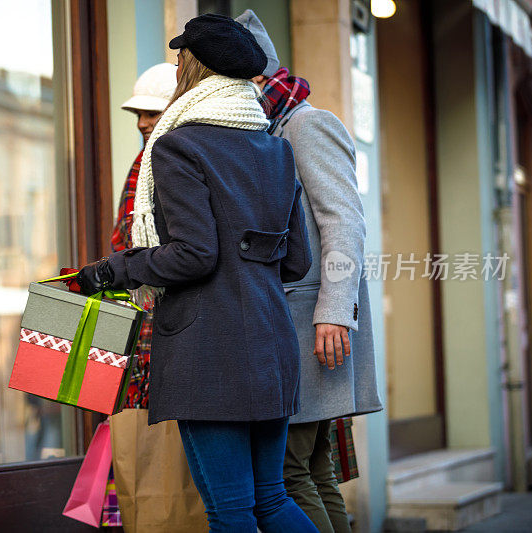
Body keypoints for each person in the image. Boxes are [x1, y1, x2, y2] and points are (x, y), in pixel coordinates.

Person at [77, 14, 317, 533]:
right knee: (271, 500)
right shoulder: (276, 149)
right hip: (272, 346)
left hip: (211, 351)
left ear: (192, 67)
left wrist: (118, 269)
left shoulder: (179, 145)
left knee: (231, 513)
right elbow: (297, 261)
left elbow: (194, 255)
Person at [236, 9, 383, 533]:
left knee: (289, 470)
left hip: (313, 324)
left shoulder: (306, 124)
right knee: (311, 468)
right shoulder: (275, 126)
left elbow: (346, 223)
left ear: (255, 77)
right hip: (301, 323)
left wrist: (335, 312)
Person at [112, 62, 177, 409]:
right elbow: (124, 243)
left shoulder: (168, 160)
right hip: (149, 326)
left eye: (151, 112)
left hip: (173, 328)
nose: (141, 123)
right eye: (138, 114)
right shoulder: (143, 164)